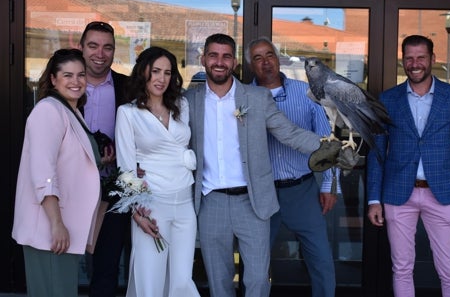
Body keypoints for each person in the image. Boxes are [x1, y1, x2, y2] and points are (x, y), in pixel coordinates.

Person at [184, 33, 323, 297]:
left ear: (235, 62)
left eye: (226, 56)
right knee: (219, 281)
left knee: (258, 279)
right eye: (213, 55)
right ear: (203, 59)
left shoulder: (257, 98)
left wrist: (329, 147)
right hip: (210, 201)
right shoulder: (189, 100)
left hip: (252, 202)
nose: (219, 62)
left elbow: (290, 133)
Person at [367, 34, 450, 297]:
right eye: (409, 58)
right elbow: (377, 152)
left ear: (433, 59)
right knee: (401, 268)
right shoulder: (388, 99)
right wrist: (374, 199)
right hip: (398, 195)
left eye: (421, 57)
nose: (415, 63)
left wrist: (438, 167)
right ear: (403, 60)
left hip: (440, 193)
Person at [245, 36, 338, 297]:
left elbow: (326, 139)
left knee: (320, 259)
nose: (265, 62)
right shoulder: (241, 97)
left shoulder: (307, 93)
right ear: (251, 65)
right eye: (258, 58)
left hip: (302, 191)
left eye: (269, 55)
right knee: (255, 266)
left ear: (278, 58)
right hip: (260, 194)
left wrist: (330, 185)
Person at [11, 48, 101, 297]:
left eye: (81, 75)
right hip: (49, 231)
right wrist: (57, 224)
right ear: (53, 79)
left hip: (63, 230)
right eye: (67, 75)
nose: (76, 81)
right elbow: (43, 172)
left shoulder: (71, 111)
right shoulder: (48, 110)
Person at [115, 46, 200, 297]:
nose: (161, 78)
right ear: (143, 72)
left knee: (182, 279)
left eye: (167, 72)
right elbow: (126, 167)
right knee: (150, 278)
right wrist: (136, 212)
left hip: (185, 202)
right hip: (152, 205)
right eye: (155, 71)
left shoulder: (181, 105)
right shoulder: (128, 113)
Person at [78, 21, 130, 297]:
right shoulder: (66, 85)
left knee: (107, 267)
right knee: (65, 261)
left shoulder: (127, 86)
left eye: (107, 47)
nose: (100, 53)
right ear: (81, 47)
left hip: (113, 191)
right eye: (93, 45)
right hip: (70, 189)